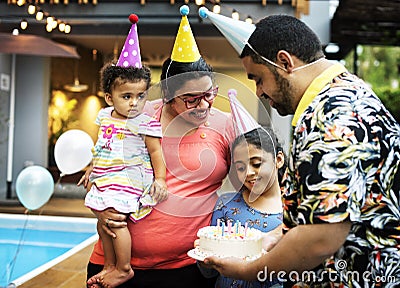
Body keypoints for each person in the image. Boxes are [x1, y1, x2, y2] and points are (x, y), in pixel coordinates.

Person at [201, 13, 400, 287]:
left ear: (284, 62)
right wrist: (274, 239)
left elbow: (321, 238)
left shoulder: (332, 114)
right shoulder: (348, 94)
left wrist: (249, 270)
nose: (258, 92)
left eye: (258, 79)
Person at [82, 6, 236, 288]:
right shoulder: (137, 114)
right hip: (113, 262)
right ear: (167, 94)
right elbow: (105, 152)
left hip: (187, 268)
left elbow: (253, 178)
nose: (203, 105)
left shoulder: (226, 125)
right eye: (190, 98)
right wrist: (99, 200)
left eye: (209, 94)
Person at [84, 61, 168, 288]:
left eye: (140, 96)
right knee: (103, 224)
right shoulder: (104, 117)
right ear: (110, 98)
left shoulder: (145, 123)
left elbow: (156, 152)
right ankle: (110, 265)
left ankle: (123, 267)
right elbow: (101, 144)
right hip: (106, 177)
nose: (134, 102)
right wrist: (92, 166)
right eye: (127, 96)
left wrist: (160, 179)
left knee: (117, 223)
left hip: (127, 179)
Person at [199, 127, 286, 288]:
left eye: (257, 163)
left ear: (278, 160)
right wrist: (204, 259)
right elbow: (209, 272)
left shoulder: (293, 208)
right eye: (240, 167)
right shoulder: (226, 204)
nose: (249, 173)